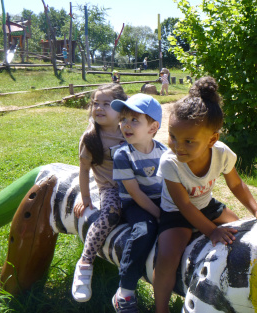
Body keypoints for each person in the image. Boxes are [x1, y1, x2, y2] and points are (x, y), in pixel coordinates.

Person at [153, 77, 257, 313]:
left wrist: (256, 209)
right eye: (173, 136)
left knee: (240, 232)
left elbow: (236, 185)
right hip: (176, 214)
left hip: (207, 205)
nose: (177, 146)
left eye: (188, 141)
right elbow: (183, 205)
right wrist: (212, 230)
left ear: (212, 139)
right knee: (167, 259)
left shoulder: (222, 154)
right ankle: (160, 309)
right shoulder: (170, 162)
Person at [110, 94, 168, 312]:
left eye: (135, 120)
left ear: (153, 128)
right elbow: (134, 192)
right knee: (144, 230)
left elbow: (169, 184)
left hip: (160, 200)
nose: (126, 124)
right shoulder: (123, 155)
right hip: (135, 204)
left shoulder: (164, 152)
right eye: (123, 119)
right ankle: (125, 291)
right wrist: (158, 214)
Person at [71, 83, 128, 302]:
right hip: (111, 187)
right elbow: (84, 170)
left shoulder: (128, 129)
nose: (99, 108)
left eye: (106, 104)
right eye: (96, 103)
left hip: (135, 184)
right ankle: (85, 262)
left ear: (122, 110)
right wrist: (86, 198)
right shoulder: (91, 138)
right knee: (110, 215)